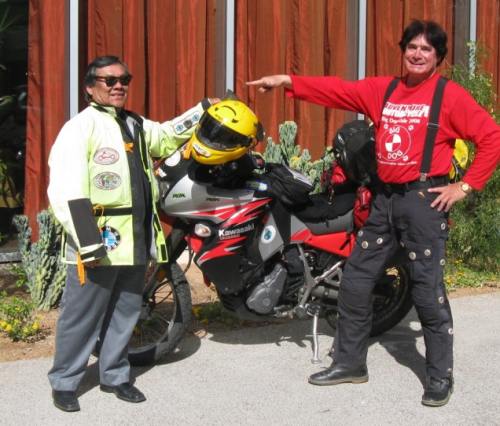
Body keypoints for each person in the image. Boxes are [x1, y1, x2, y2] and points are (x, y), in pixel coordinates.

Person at [247, 20, 500, 407]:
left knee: (427, 293)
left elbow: (490, 138)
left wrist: (463, 186)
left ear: (438, 58)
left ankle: (439, 377)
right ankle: (350, 364)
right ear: (403, 50)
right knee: (356, 282)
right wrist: (286, 80)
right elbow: (338, 90)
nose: (417, 54)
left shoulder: (449, 96)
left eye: (426, 50)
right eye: (411, 47)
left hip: (423, 203)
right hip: (383, 201)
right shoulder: (384, 90)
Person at [47, 55, 213, 412]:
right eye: (109, 81)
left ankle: (115, 375)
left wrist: (204, 110)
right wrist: (88, 242)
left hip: (136, 238)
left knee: (126, 311)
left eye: (125, 79)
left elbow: (168, 135)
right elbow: (66, 189)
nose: (119, 85)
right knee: (81, 315)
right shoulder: (80, 128)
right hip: (99, 242)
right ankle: (64, 381)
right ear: (90, 87)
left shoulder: (135, 125)